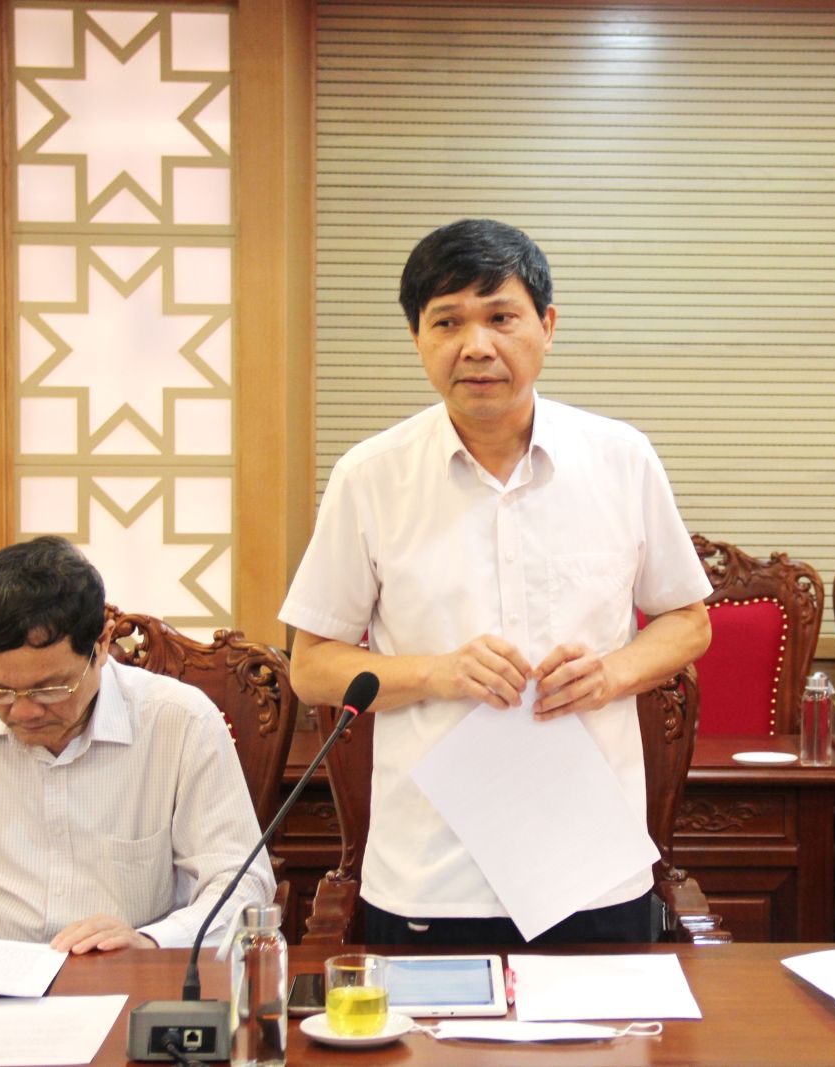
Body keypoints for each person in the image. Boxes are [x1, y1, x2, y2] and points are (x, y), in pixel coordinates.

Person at [281, 219, 712, 945]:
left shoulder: (621, 458)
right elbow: (312, 666)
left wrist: (612, 672)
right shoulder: (370, 476)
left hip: (591, 867)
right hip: (428, 874)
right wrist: (439, 672)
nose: (476, 345)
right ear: (417, 337)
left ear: (547, 325)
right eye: (447, 321)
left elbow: (688, 621)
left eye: (501, 317)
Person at [0, 537, 273, 952]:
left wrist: (153, 941)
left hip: (128, 982)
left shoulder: (180, 721)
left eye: (49, 688)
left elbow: (241, 884)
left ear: (101, 644)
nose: (23, 711)